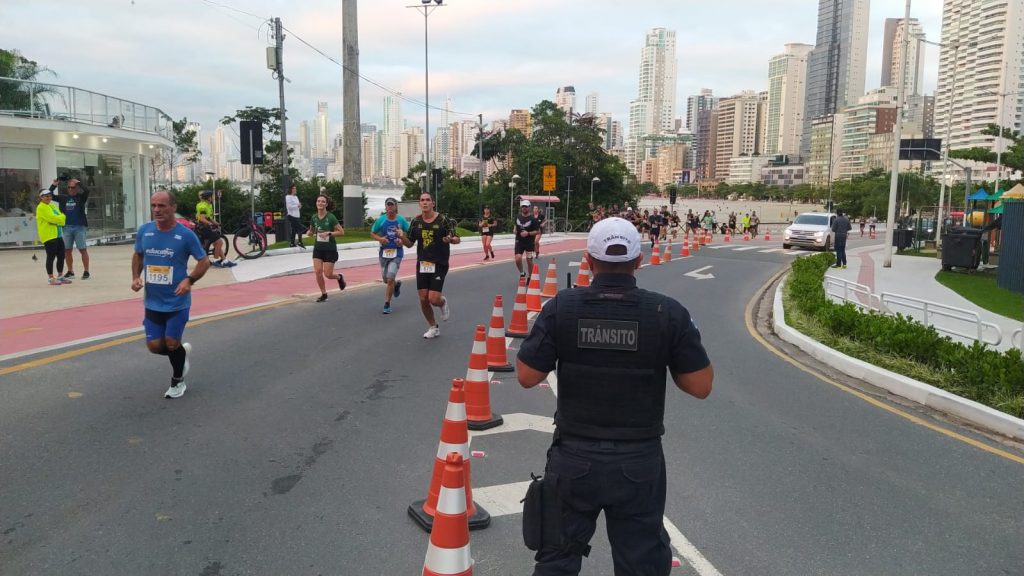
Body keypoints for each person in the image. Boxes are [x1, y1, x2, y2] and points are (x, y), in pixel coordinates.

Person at [516, 217, 714, 575]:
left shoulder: (563, 307)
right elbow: (700, 386)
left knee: (557, 561)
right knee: (641, 563)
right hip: (639, 462)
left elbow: (527, 376)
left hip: (574, 458)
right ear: (639, 262)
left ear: (588, 262)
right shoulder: (666, 313)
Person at [130, 189, 211, 399]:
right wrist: (135, 277)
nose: (157, 210)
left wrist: (189, 280)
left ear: (173, 208)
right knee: (155, 347)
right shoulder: (145, 231)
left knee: (171, 342)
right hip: (152, 302)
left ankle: (177, 382)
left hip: (177, 302)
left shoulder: (185, 235)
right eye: (154, 206)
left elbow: (204, 261)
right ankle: (181, 354)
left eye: (162, 206)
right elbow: (138, 255)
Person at [401, 192, 460, 339]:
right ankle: (433, 327)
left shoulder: (443, 220)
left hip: (439, 263)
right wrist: (401, 237)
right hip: (423, 263)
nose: (425, 202)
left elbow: (457, 238)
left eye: (428, 200)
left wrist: (450, 239)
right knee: (423, 298)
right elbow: (409, 243)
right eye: (422, 200)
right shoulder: (416, 222)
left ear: (433, 203)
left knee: (433, 299)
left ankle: (442, 302)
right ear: (419, 204)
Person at [370, 197, 409, 314]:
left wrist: (402, 240)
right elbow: (372, 233)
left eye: (392, 205)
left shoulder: (401, 220)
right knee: (386, 279)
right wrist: (380, 239)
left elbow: (411, 233)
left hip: (397, 253)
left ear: (396, 206)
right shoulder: (381, 220)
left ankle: (387, 304)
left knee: (390, 277)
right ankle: (396, 285)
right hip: (384, 253)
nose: (390, 207)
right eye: (388, 205)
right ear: (385, 207)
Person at [49, 177, 91, 279]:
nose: (71, 189)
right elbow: (50, 195)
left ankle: (86, 271)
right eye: (69, 187)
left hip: (79, 227)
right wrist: (54, 185)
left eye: (73, 187)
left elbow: (87, 190)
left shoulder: (81, 197)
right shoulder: (63, 198)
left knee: (82, 249)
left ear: (77, 188)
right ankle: (70, 271)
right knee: (67, 250)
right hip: (67, 228)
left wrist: (79, 183)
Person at [307, 194, 346, 302]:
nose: (320, 203)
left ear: (326, 204)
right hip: (318, 248)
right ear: (316, 203)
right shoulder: (314, 217)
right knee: (318, 271)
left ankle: (339, 277)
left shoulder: (331, 217)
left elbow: (341, 232)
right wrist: (309, 232)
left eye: (323, 201)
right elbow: (312, 230)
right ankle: (324, 294)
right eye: (318, 201)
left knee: (328, 274)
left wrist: (329, 233)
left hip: (330, 249)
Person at [36, 188, 70, 285]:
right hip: (49, 235)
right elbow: (53, 218)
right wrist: (61, 218)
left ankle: (60, 276)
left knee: (61, 255)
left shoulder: (52, 205)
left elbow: (61, 217)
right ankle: (51, 278)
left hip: (58, 234)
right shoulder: (41, 207)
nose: (48, 197)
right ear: (41, 197)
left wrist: (60, 218)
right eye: (46, 196)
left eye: (50, 195)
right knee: (51, 257)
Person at [194, 190, 235, 268]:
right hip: (204, 228)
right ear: (208, 198)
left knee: (216, 244)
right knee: (219, 242)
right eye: (212, 197)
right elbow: (202, 219)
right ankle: (215, 260)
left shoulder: (208, 205)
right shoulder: (203, 206)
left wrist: (216, 223)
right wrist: (210, 224)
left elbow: (209, 217)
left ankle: (224, 260)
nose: (213, 198)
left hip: (205, 227)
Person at [514, 200, 541, 279]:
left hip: (529, 242)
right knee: (518, 259)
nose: (524, 208)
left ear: (529, 207)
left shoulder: (533, 219)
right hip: (519, 241)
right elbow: (515, 225)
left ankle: (530, 277)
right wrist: (515, 230)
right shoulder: (518, 216)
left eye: (526, 206)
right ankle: (522, 273)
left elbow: (538, 231)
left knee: (529, 261)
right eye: (523, 206)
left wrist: (528, 233)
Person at [285, 184, 305, 248]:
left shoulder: (296, 197)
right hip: (291, 215)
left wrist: (299, 206)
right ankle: (300, 242)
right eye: (294, 188)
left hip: (297, 215)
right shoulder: (288, 197)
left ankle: (292, 243)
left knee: (294, 229)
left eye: (295, 188)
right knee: (300, 228)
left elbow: (298, 206)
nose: (295, 189)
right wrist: (297, 206)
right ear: (291, 189)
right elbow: (289, 207)